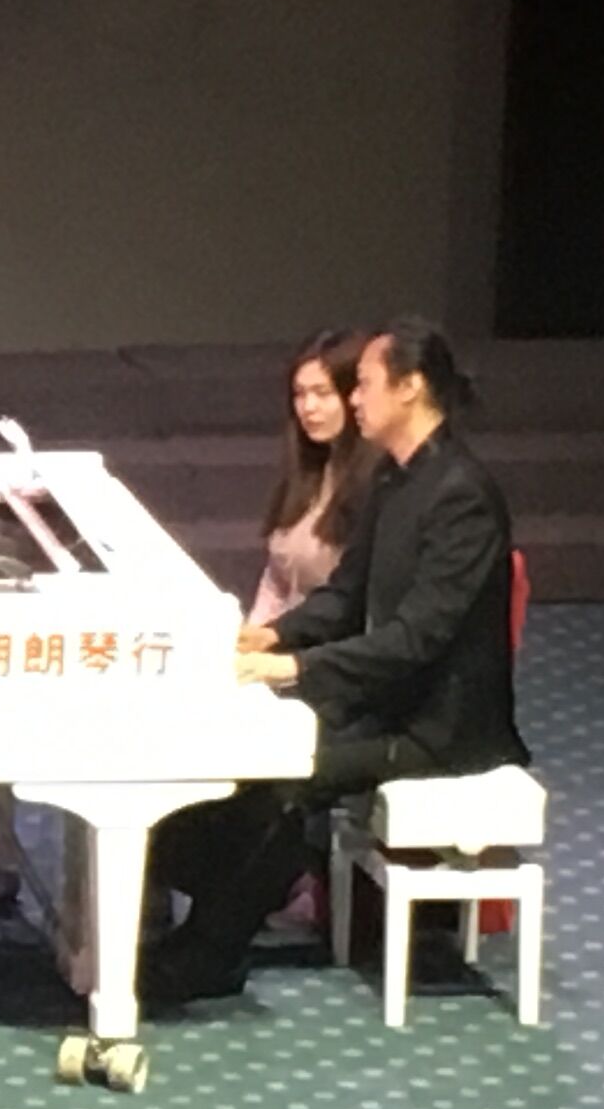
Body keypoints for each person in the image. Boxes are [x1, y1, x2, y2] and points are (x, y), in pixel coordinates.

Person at [143, 316, 526, 1004]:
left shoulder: (461, 495)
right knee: (247, 756)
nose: (353, 399)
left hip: (443, 732)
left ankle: (210, 954)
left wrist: (295, 670)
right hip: (390, 705)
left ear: (410, 388)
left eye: (366, 384)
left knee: (289, 777)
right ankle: (207, 917)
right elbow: (346, 597)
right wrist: (270, 637)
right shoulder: (394, 480)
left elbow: (417, 639)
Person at [250, 328, 374, 627]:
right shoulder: (310, 472)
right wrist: (254, 635)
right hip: (281, 639)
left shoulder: (375, 481)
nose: (308, 407)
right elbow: (275, 581)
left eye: (322, 393)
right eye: (300, 394)